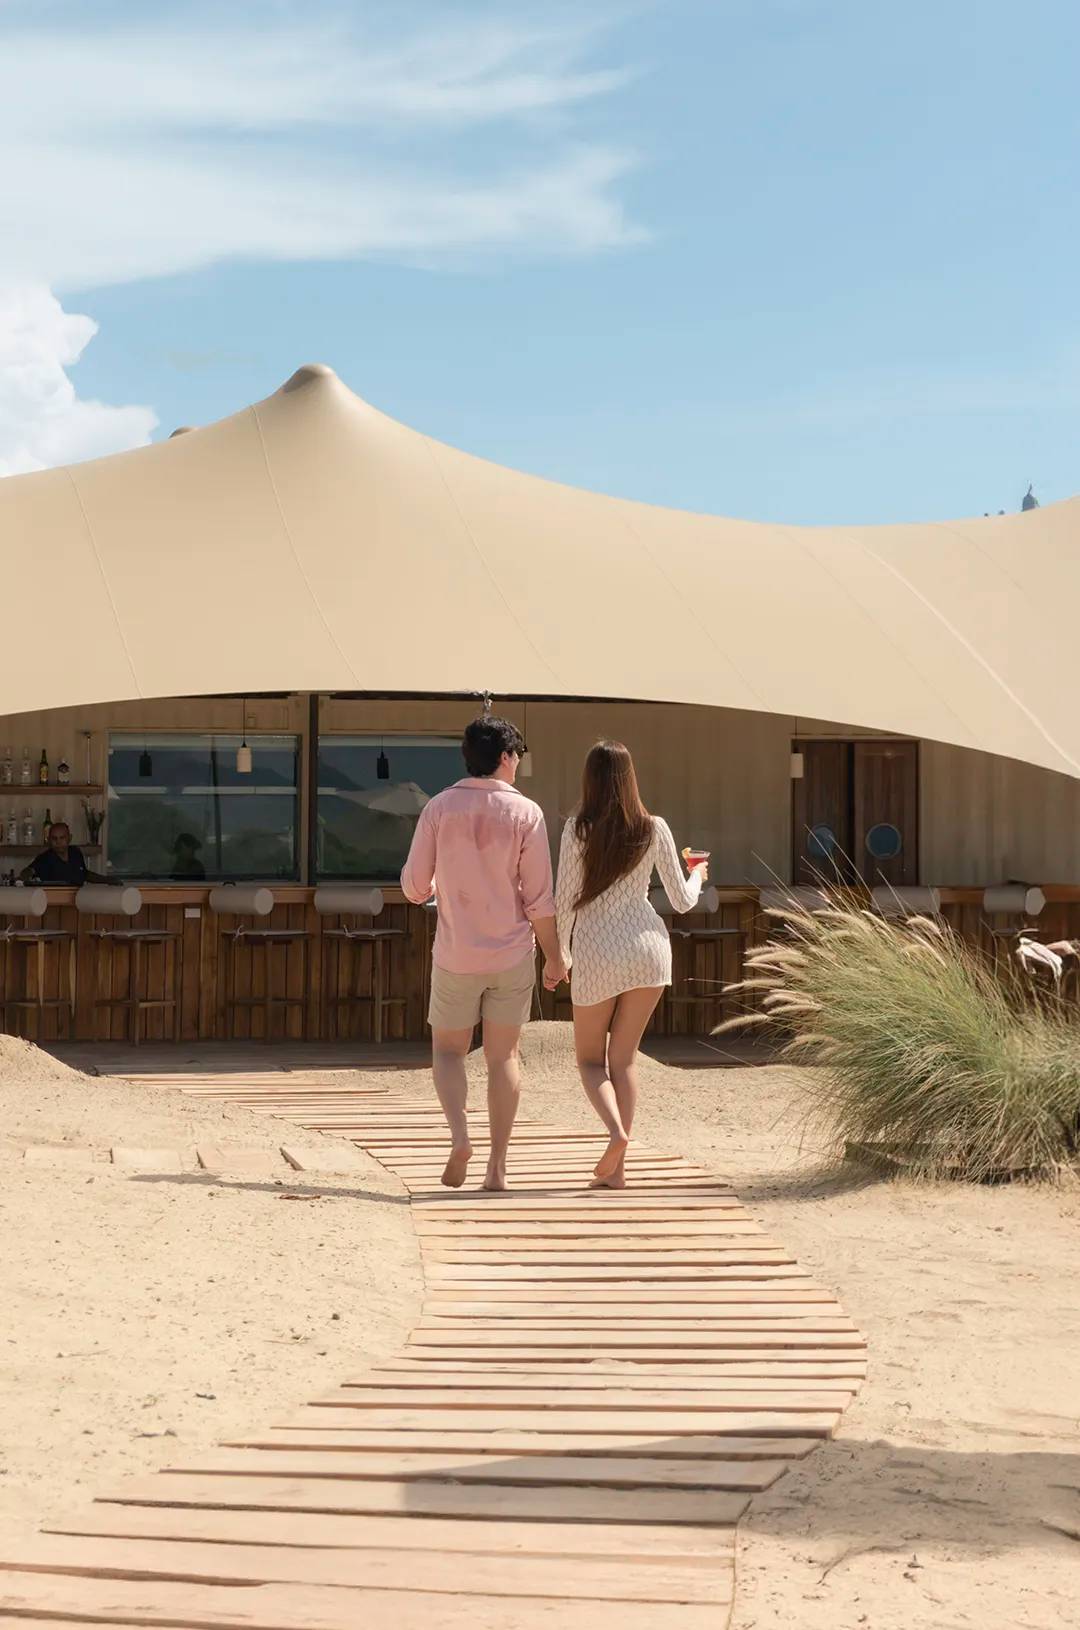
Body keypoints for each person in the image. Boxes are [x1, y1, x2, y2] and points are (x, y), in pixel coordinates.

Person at [401, 715, 565, 1191]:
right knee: (503, 1057)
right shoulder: (527, 813)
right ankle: (497, 1168)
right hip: (511, 954)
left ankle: (459, 1137)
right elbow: (539, 899)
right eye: (518, 757)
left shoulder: (438, 807)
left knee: (448, 1051)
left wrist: (436, 884)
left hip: (456, 952)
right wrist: (555, 957)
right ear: (507, 757)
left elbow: (414, 886)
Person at [551, 740, 707, 1188]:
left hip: (598, 950)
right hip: (648, 950)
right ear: (630, 778)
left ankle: (616, 1133)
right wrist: (697, 874)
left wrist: (559, 955)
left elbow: (564, 901)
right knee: (624, 1062)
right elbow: (681, 901)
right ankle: (617, 1172)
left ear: (590, 779)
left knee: (589, 1062)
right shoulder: (655, 827)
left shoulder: (577, 830)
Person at [19, 822, 110, 886]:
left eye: (62, 838)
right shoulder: (44, 858)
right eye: (54, 838)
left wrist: (107, 880)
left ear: (69, 838)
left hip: (79, 901)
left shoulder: (76, 853)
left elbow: (84, 874)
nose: (58, 842)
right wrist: (25, 876)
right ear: (49, 840)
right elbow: (28, 871)